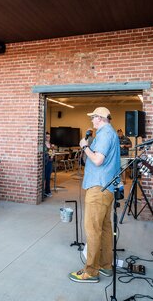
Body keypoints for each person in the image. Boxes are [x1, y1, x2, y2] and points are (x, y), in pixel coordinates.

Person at [69, 107, 120, 283]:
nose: (92, 121)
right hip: (106, 188)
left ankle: (90, 272)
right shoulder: (110, 133)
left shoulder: (105, 134)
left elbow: (98, 160)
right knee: (105, 229)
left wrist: (85, 147)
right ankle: (106, 265)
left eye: (93, 118)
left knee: (92, 230)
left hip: (98, 188)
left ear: (100, 118)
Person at [44, 132, 55, 197]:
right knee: (45, 177)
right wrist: (49, 153)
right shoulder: (43, 145)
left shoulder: (51, 145)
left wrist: (53, 152)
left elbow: (52, 154)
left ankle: (47, 191)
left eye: (49, 137)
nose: (48, 138)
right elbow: (43, 153)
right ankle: (45, 191)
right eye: (47, 137)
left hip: (50, 162)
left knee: (48, 177)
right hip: (45, 162)